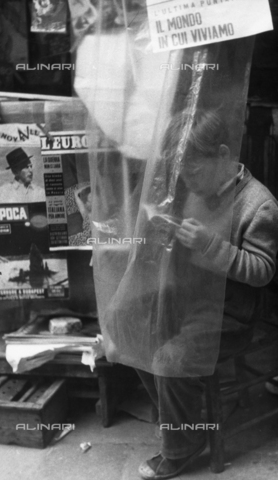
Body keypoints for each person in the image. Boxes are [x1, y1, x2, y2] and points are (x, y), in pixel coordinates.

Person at [137, 110, 278, 480]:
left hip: (231, 313)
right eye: (182, 173)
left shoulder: (259, 204)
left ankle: (183, 444)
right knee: (127, 329)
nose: (187, 182)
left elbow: (262, 272)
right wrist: (172, 236)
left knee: (169, 359)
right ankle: (184, 417)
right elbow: (191, 247)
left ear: (223, 153)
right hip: (191, 297)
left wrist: (211, 244)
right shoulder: (196, 189)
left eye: (193, 172)